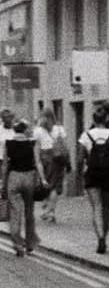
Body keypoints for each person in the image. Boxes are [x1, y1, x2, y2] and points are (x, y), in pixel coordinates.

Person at [78, 102, 109, 254]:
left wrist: (81, 172)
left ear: (93, 120)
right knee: (107, 207)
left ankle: (100, 237)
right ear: (106, 119)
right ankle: (104, 235)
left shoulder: (86, 135)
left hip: (92, 174)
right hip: (108, 174)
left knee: (97, 207)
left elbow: (80, 158)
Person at [2, 116, 45, 255]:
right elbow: (38, 162)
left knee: (15, 212)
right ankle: (30, 243)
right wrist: (43, 179)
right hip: (29, 176)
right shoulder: (33, 143)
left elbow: (5, 165)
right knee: (29, 212)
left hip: (14, 176)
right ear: (25, 129)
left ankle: (17, 243)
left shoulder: (7, 143)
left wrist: (3, 182)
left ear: (15, 130)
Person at [35, 107, 67, 223]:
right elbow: (64, 145)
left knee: (46, 184)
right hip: (58, 158)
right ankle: (51, 211)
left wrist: (37, 161)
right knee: (55, 186)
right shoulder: (59, 129)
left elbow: (37, 148)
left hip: (45, 158)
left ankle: (46, 209)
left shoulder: (38, 130)